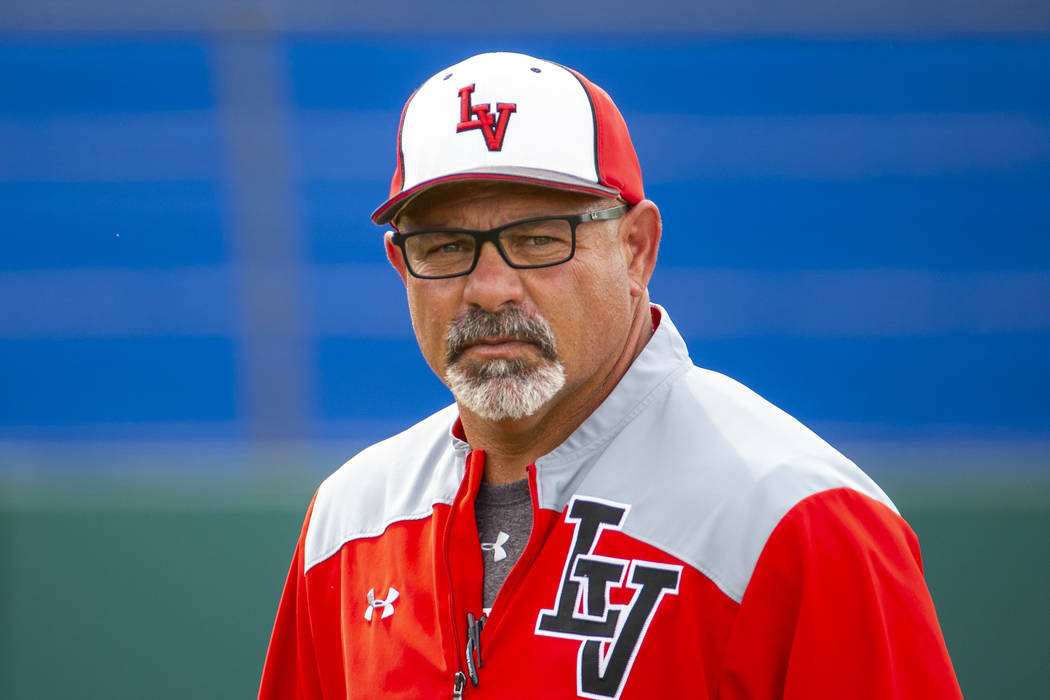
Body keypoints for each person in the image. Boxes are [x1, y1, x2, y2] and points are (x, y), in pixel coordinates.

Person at [259, 51, 962, 699]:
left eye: (537, 239)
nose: (490, 287)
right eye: (446, 247)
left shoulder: (795, 518)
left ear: (636, 250)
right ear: (400, 268)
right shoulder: (349, 521)